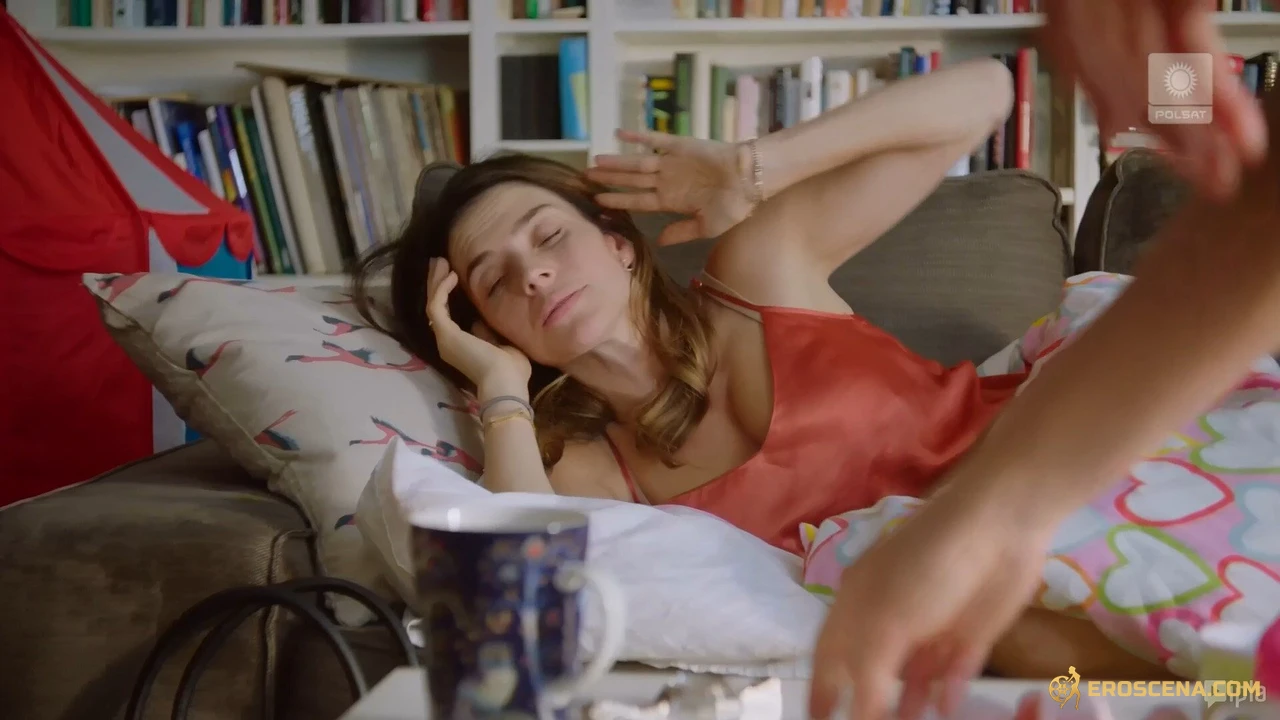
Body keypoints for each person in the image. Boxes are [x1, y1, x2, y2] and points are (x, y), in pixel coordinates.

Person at [804, 2, 1280, 720]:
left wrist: (748, 169)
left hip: (1039, 454)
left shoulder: (744, 281)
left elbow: (985, 89)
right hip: (981, 503)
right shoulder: (614, 466)